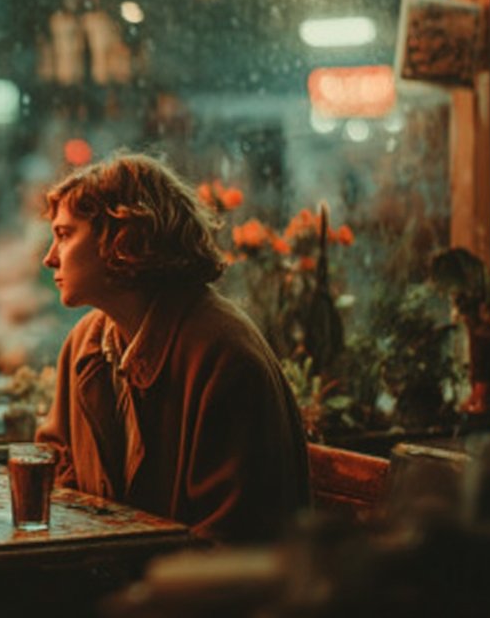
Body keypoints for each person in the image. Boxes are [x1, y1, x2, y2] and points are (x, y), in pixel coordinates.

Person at [35, 153, 309, 543]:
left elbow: (232, 538)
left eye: (64, 234)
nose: (49, 258)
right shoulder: (86, 342)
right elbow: (56, 464)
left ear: (124, 238)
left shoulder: (222, 355)